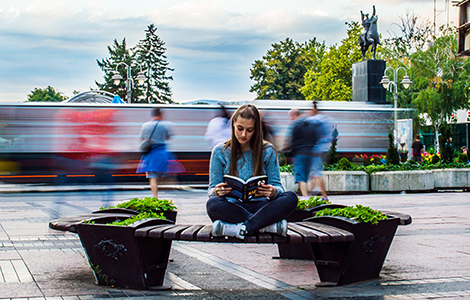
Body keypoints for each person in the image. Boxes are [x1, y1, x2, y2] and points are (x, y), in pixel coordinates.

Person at [206, 104, 298, 239]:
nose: (243, 134)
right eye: (240, 128)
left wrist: (273, 191)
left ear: (256, 130)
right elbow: (211, 189)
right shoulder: (220, 151)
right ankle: (266, 226)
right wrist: (216, 191)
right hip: (233, 206)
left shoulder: (268, 150)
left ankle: (241, 228)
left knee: (290, 198)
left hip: (260, 206)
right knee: (213, 204)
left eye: (249, 130)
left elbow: (278, 186)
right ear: (233, 126)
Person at [137, 107, 183, 198]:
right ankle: (168, 190)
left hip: (150, 154)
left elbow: (142, 138)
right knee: (165, 172)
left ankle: (155, 197)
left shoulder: (145, 125)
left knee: (152, 177)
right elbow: (168, 137)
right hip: (162, 153)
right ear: (160, 115)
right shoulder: (165, 125)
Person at [283, 108, 318, 199]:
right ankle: (310, 194)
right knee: (309, 174)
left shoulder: (296, 124)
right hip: (311, 153)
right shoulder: (311, 123)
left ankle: (306, 197)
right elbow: (316, 137)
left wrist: (286, 151)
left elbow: (291, 140)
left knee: (301, 176)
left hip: (300, 154)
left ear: (294, 115)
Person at [307, 101, 335, 201]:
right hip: (319, 149)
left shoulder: (315, 120)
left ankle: (324, 196)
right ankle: (312, 192)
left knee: (316, 172)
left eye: (310, 110)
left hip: (314, 150)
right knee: (313, 172)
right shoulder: (324, 119)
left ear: (314, 109)